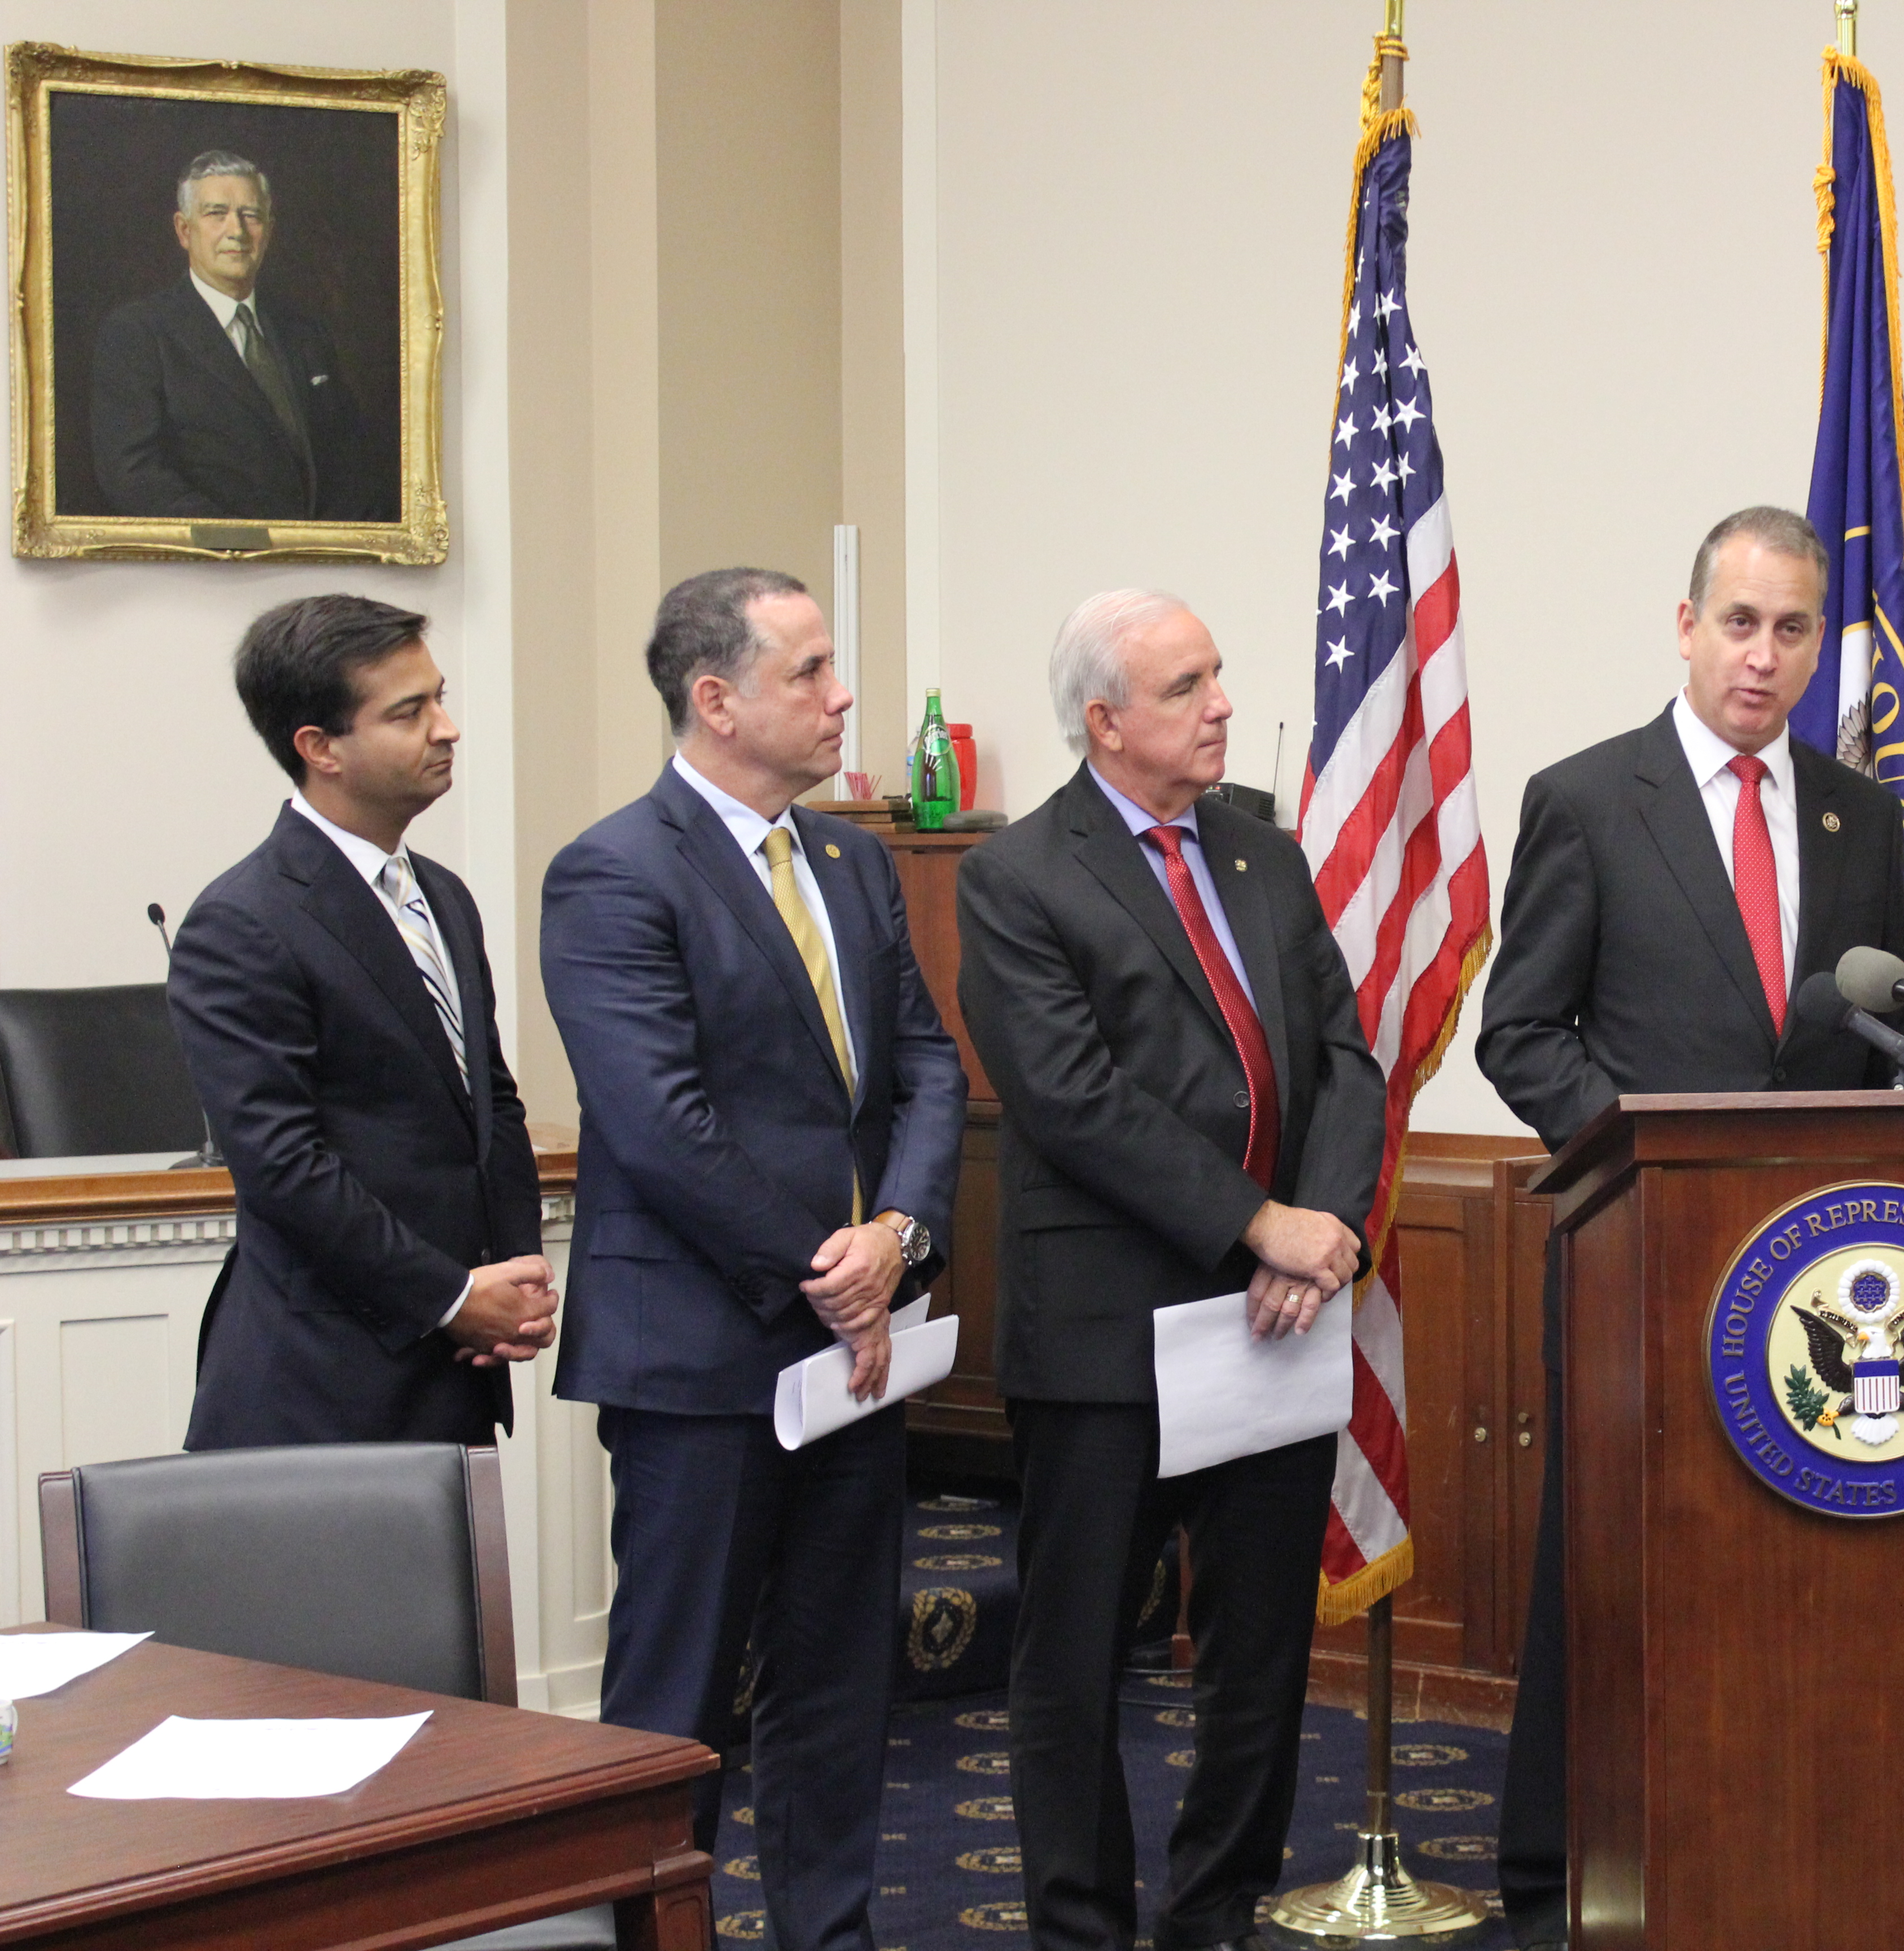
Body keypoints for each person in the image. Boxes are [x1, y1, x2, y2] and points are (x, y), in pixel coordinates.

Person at [1474, 505, 1904, 1951]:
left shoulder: (1863, 815)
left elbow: (1879, 1037)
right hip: (1633, 1254)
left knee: (1790, 1567)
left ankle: (1771, 1837)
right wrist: (1642, 1164)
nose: (1764, 655)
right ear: (1684, 624)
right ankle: (1558, 1868)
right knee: (1604, 1566)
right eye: (1739, 622)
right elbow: (1521, 1031)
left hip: (1813, 1280)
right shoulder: (1588, 797)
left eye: (1794, 628)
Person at [542, 566, 965, 1951]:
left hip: (853, 1350)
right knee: (674, 1699)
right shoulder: (614, 867)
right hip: (700, 1357)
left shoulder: (848, 857)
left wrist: (897, 1238)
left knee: (842, 1687)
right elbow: (660, 1124)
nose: (844, 696)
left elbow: (923, 1064)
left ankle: (825, 1933)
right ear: (714, 698)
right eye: (811, 670)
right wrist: (822, 1264)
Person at [957, 589, 1385, 1951]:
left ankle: (1213, 1915)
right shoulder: (1019, 874)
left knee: (1257, 1658)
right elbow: (1070, 1096)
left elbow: (1345, 1061)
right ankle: (1081, 1927)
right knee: (1075, 1659)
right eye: (1186, 683)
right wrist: (1253, 1223)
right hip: (1107, 1334)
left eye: (1215, 676)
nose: (1218, 702)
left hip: (1281, 1319)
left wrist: (1318, 1231)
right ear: (1105, 719)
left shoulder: (1261, 849)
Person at [167, 594, 553, 1447]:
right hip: (321, 1380)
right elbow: (283, 1166)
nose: (447, 728)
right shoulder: (244, 920)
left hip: (452, 1366)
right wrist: (453, 1298)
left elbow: (487, 1100)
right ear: (319, 749)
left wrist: (510, 1279)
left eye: (440, 698)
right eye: (410, 712)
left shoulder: (441, 896)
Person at [90, 150, 384, 522]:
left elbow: (352, 462)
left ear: (269, 231)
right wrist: (241, 546)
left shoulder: (306, 333)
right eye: (217, 214)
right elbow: (132, 475)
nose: (238, 231)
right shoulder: (139, 334)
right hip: (213, 570)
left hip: (319, 565)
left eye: (251, 215)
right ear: (184, 230)